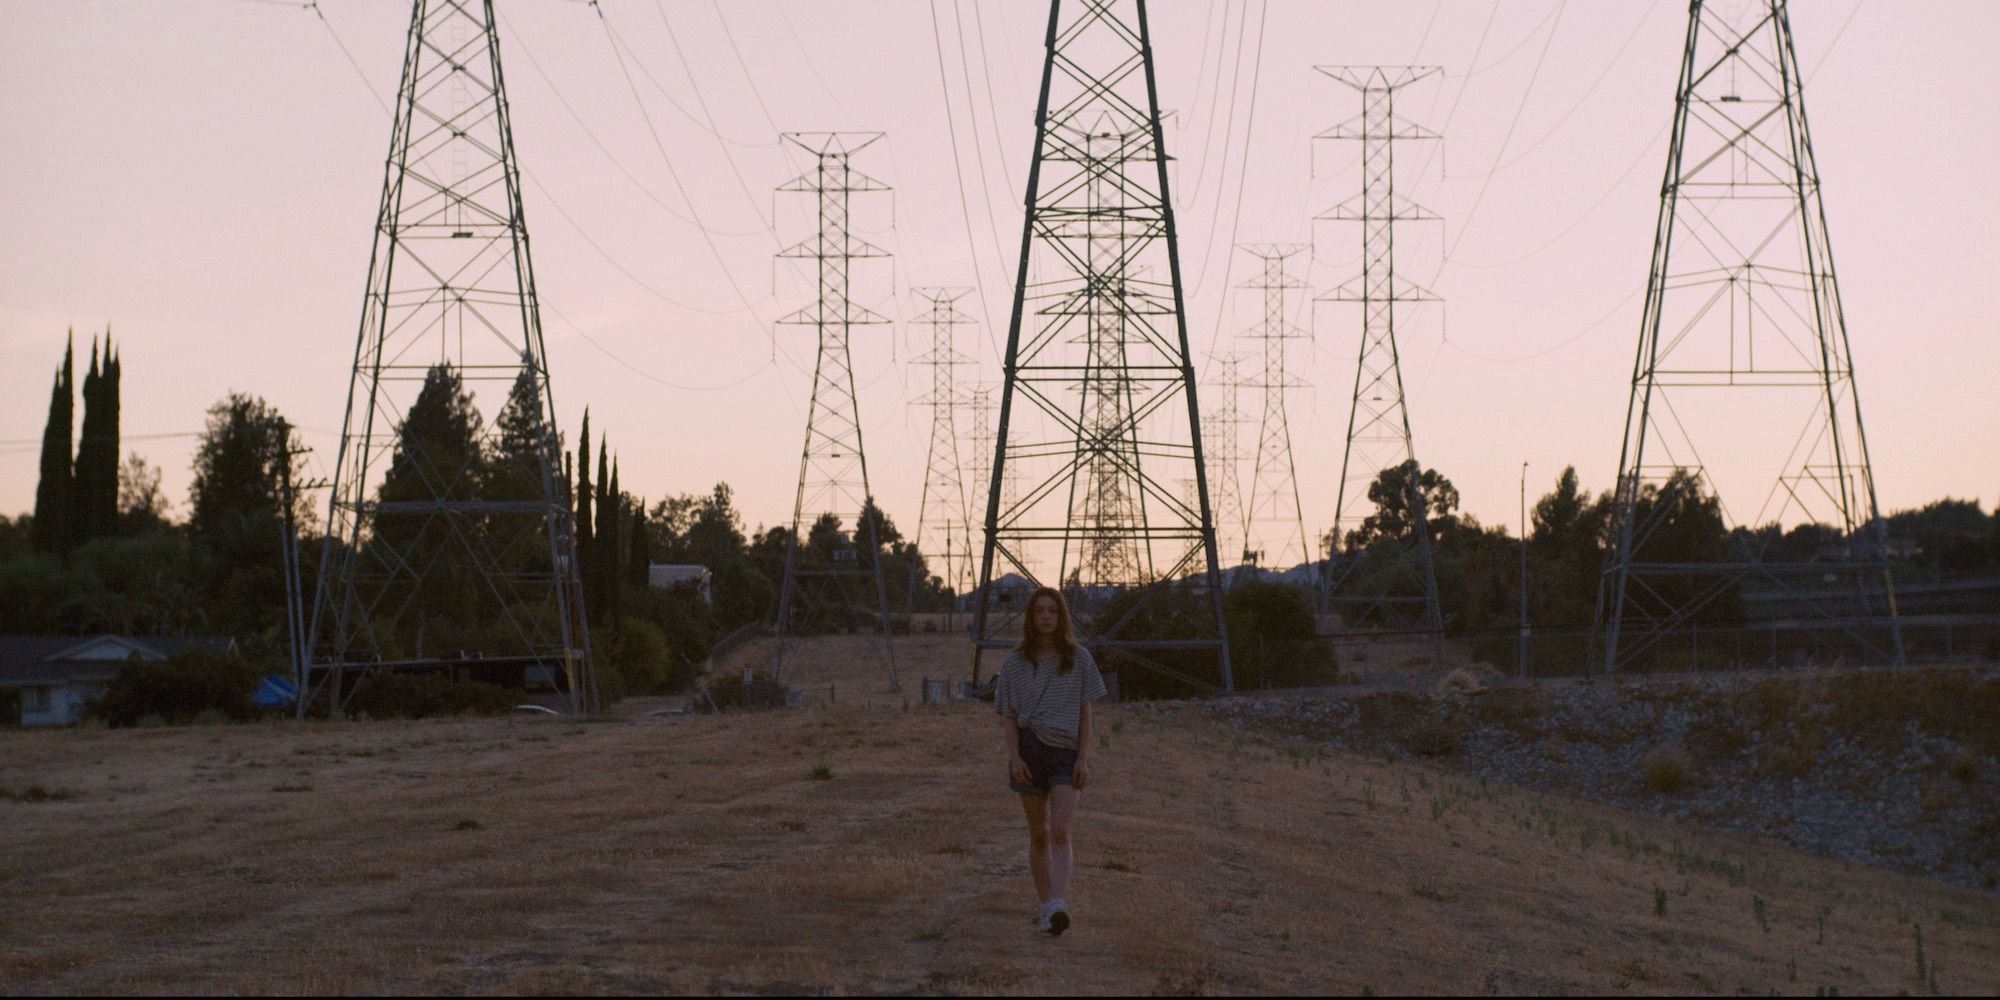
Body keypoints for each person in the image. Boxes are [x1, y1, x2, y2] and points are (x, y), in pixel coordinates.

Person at [994, 586, 1107, 936]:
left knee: (1060, 830)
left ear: (1061, 618)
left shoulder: (1079, 658)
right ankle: (1046, 907)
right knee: (1038, 834)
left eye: (1052, 611)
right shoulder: (1014, 663)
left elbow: (1086, 712)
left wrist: (1083, 758)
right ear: (1030, 618)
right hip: (1029, 749)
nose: (1046, 616)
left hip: (1064, 752)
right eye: (1039, 610)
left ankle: (1059, 903)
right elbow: (1009, 716)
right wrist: (1014, 758)